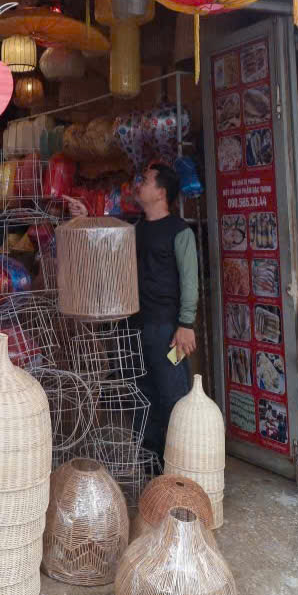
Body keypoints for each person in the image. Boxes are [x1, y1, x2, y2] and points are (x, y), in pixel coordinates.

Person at [131, 162, 198, 460]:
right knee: (142, 396)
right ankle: (151, 467)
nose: (138, 185)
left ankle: (180, 466)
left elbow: (190, 280)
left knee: (173, 396)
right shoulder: (136, 229)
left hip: (169, 331)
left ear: (160, 192)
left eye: (145, 181)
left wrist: (186, 324)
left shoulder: (179, 231)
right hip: (136, 327)